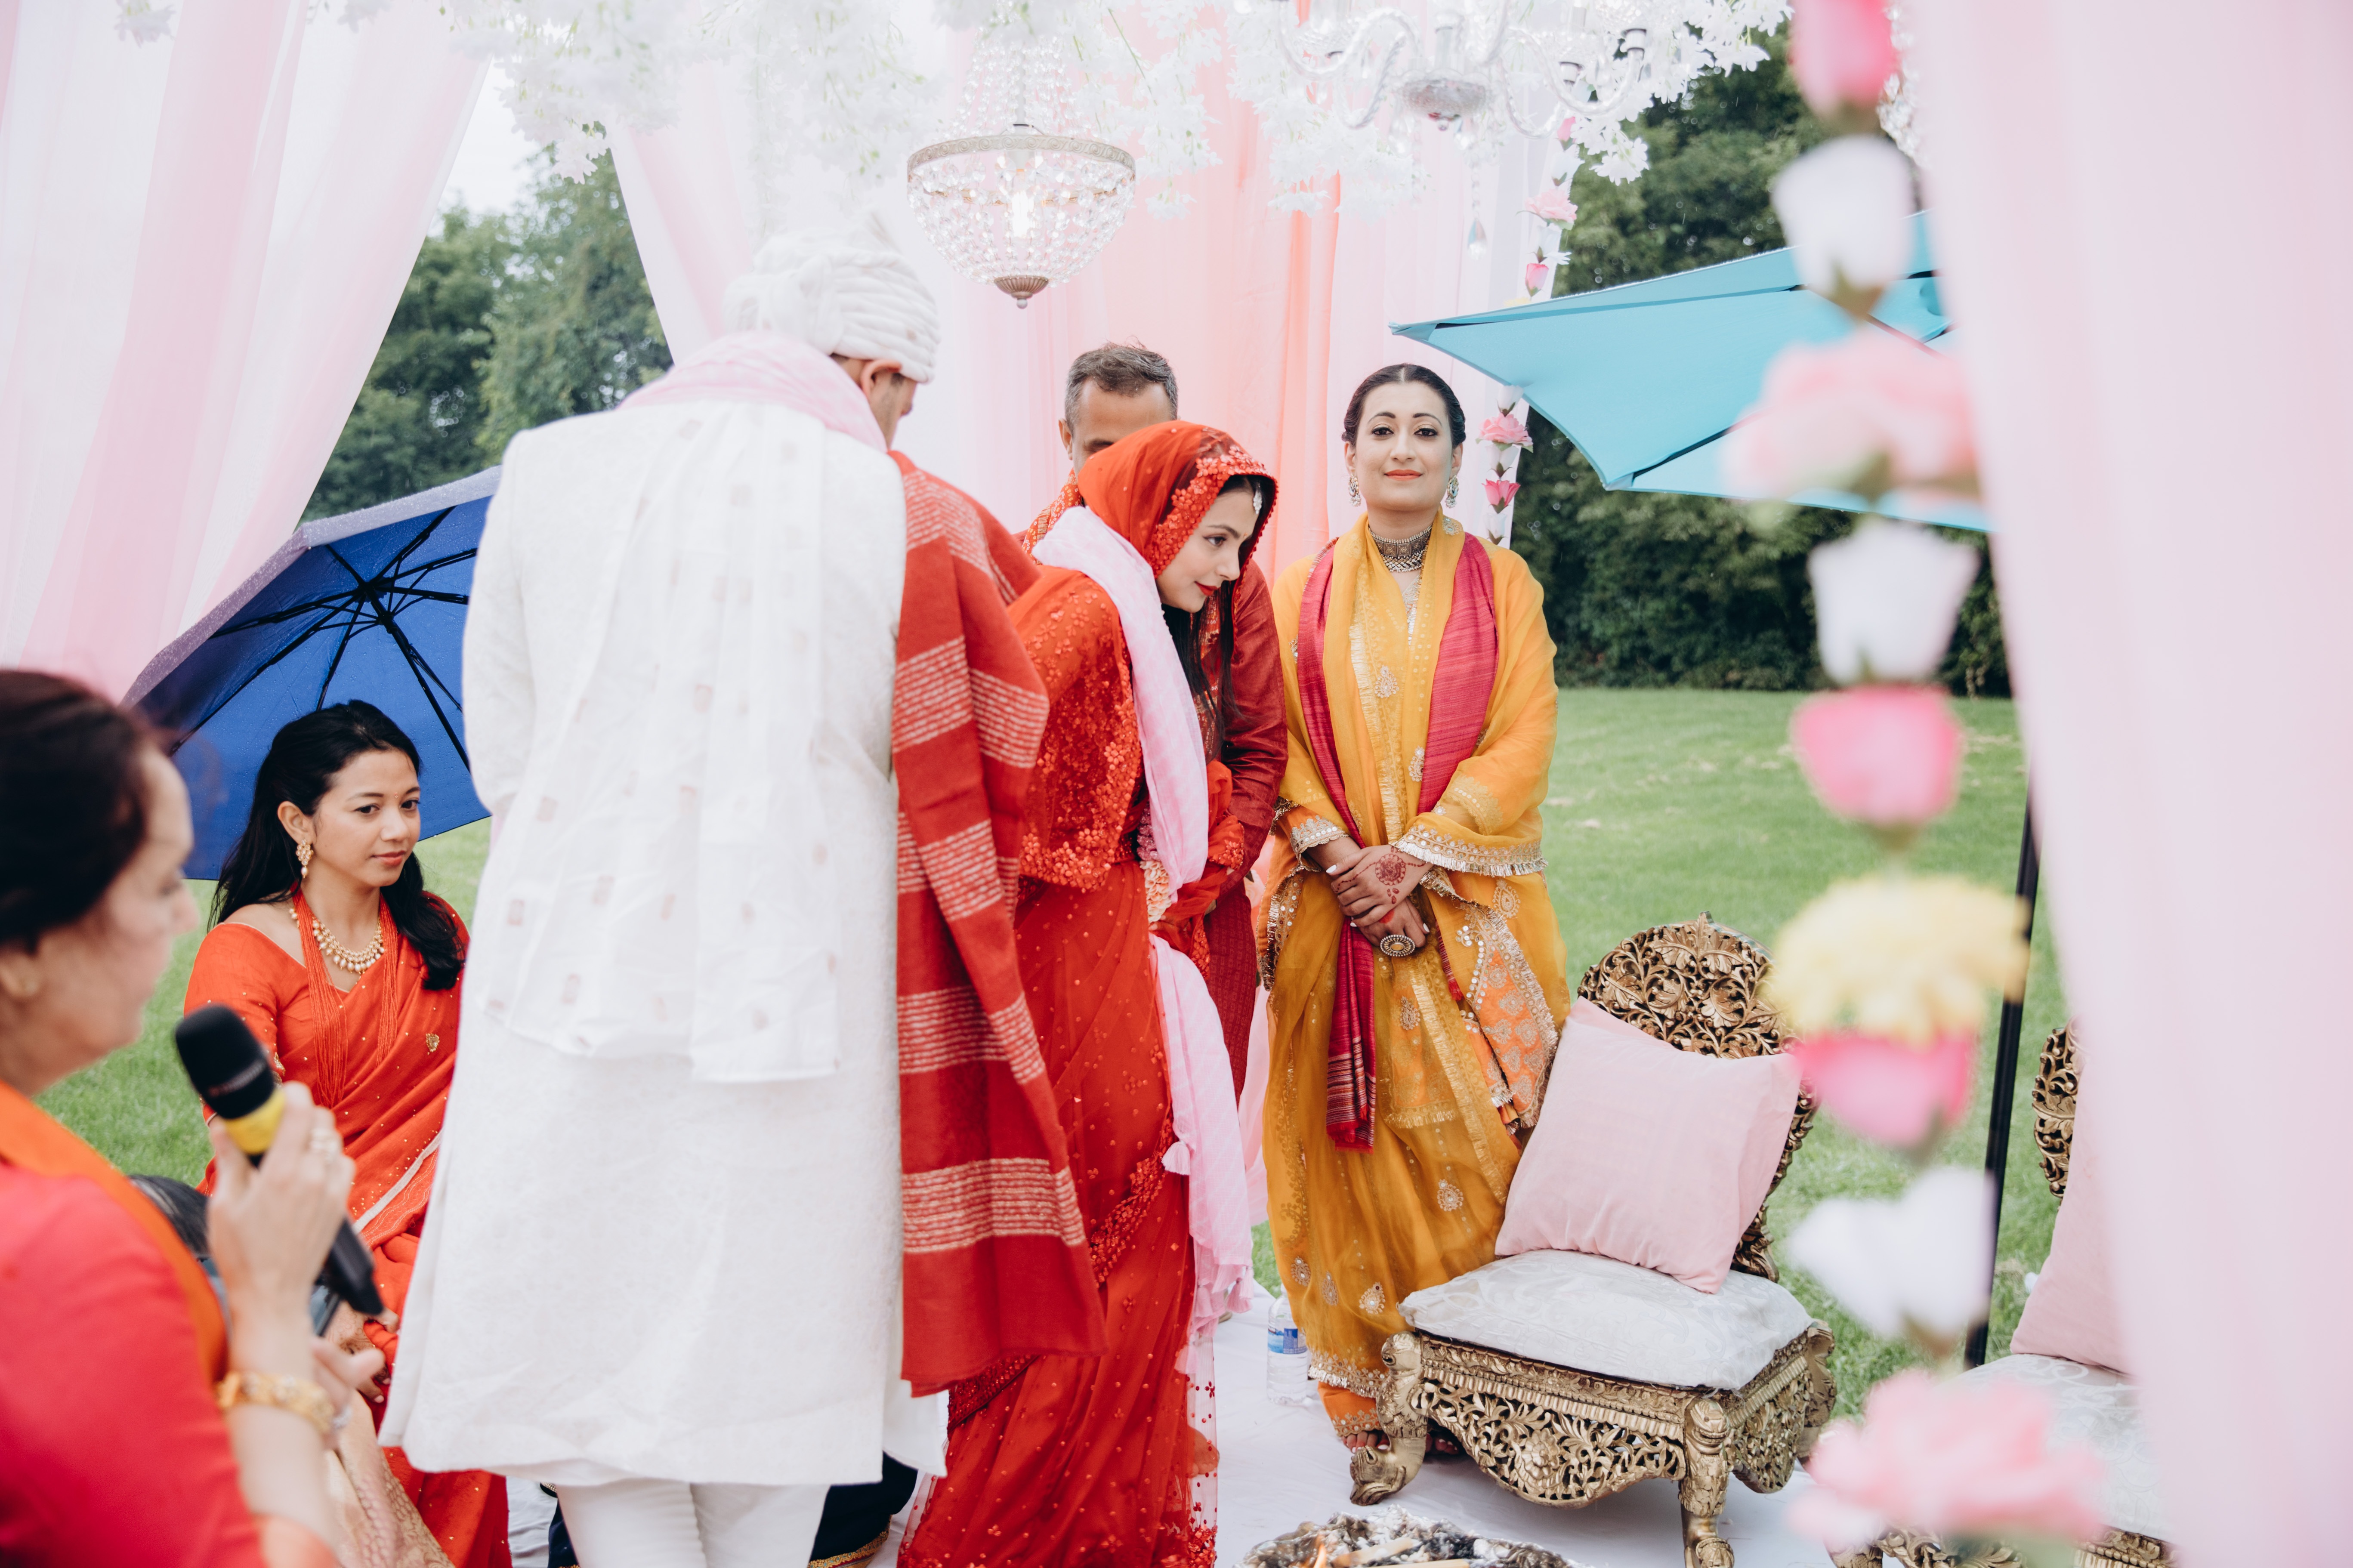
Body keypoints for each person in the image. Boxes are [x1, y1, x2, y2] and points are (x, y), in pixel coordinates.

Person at [382, 218, 1099, 1568]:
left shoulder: (547, 468)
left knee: (591, 1402)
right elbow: (984, 771)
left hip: (571, 992)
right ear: (873, 369)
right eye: (904, 396)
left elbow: (506, 754)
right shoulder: (908, 508)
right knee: (782, 1402)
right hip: (813, 1011)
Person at [902, 420, 1257, 1568]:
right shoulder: (1088, 610)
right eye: (1214, 540)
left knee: (1133, 1229)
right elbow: (975, 784)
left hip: (1103, 944)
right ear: (1156, 519)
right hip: (1070, 957)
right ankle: (1026, 1534)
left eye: (1239, 547)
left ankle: (1095, 1525)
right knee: (1107, 1230)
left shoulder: (1120, 606)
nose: (1228, 571)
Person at [0, 670, 378, 1567]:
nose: (182, 916)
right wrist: (273, 1316)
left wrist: (247, 1391)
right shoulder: (49, 1246)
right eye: (158, 882)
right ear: (20, 942)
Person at [1260, 364, 1571, 1450]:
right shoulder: (1294, 591)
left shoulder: (1504, 584)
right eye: (1382, 429)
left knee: (1487, 1131)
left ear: (1455, 456)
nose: (1403, 448)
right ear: (1348, 453)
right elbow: (1272, 738)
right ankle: (1374, 1376)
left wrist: (1414, 857)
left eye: (1425, 430)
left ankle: (1493, 1381)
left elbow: (1525, 731)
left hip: (1465, 903)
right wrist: (1342, 856)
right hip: (1330, 902)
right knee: (1360, 1140)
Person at [185, 702, 503, 1568]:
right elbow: (247, 1137)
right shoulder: (244, 949)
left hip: (446, 1207)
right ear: (298, 820)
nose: (398, 828)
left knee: (469, 1310)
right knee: (392, 1335)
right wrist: (337, 1274)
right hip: (298, 1223)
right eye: (368, 808)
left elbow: (484, 1087)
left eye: (410, 803)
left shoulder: (434, 928)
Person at [1029, 345, 1286, 1092]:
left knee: (1199, 1113)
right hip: (1076, 918)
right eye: (1100, 450)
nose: (1126, 471)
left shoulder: (1228, 577)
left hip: (1206, 893)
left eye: (1145, 449)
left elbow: (1259, 748)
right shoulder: (1036, 569)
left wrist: (1202, 878)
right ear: (1065, 440)